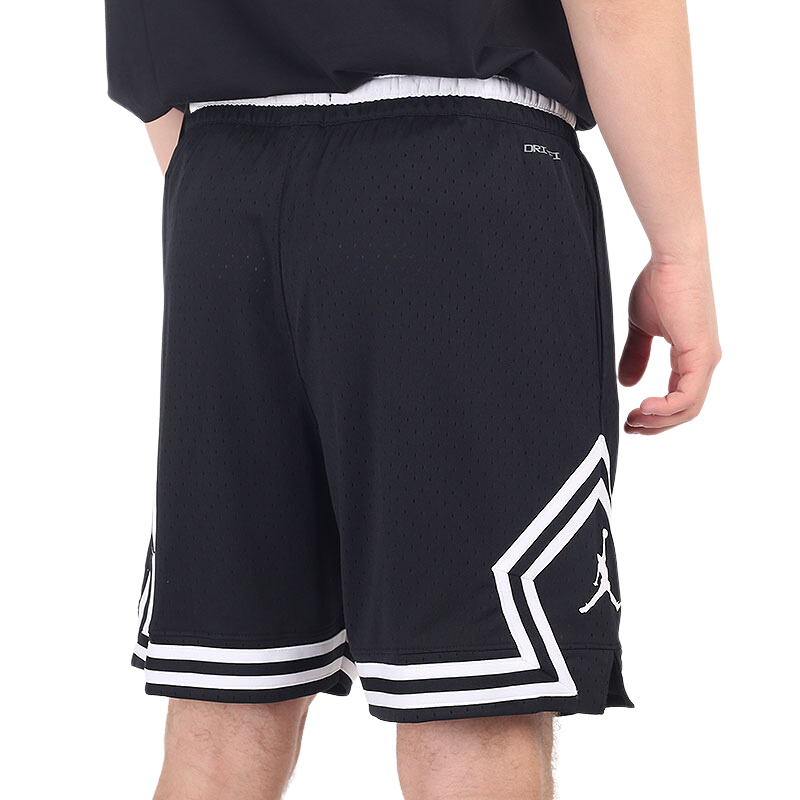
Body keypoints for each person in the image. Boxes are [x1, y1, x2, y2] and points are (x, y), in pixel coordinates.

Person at [105, 1, 721, 797]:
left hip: (221, 186)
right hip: (456, 178)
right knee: (472, 706)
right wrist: (679, 250)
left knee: (219, 720)